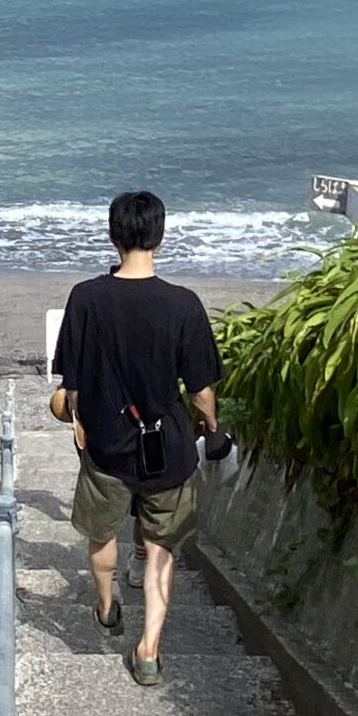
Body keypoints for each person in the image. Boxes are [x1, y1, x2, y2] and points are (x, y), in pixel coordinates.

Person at [50, 189, 223, 689]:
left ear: (113, 236)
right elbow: (202, 391)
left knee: (101, 535)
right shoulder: (184, 305)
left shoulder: (86, 297)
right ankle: (148, 651)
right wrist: (212, 427)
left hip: (106, 446)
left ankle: (106, 607)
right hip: (167, 450)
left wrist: (76, 418)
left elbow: (71, 385)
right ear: (160, 236)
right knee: (161, 551)